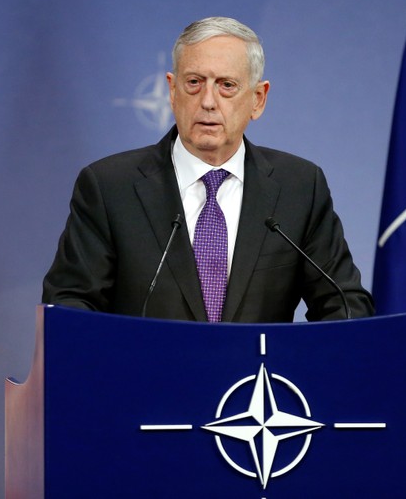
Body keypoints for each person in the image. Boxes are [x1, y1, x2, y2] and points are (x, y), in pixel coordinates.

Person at [42, 16, 374, 322]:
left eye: (226, 85)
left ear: (258, 99)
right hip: (145, 382)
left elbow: (345, 305)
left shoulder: (300, 187)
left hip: (255, 383)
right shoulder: (109, 187)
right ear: (172, 91)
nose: (208, 101)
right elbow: (70, 306)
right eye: (194, 82)